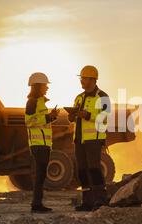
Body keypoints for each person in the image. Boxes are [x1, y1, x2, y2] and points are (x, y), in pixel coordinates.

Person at [68, 65, 111, 211]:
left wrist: (88, 115)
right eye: (81, 78)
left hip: (94, 139)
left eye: (84, 78)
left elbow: (105, 117)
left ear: (92, 79)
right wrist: (72, 116)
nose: (81, 81)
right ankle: (87, 202)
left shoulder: (103, 96)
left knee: (94, 169)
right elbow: (75, 119)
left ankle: (101, 200)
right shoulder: (78, 97)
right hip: (79, 139)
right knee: (81, 170)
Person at [25, 72, 59, 213]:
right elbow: (29, 122)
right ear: (38, 86)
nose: (47, 88)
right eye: (45, 85)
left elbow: (41, 120)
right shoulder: (32, 102)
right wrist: (47, 117)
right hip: (38, 145)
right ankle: (36, 205)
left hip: (44, 145)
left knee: (41, 175)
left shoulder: (40, 102)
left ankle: (37, 204)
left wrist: (51, 117)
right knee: (40, 175)